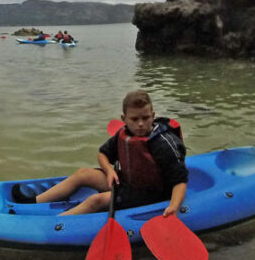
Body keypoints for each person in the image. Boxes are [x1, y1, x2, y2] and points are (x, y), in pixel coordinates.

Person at [11, 90, 188, 216]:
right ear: (124, 119)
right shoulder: (123, 134)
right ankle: (34, 202)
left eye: (145, 118)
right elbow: (102, 154)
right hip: (126, 182)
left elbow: (179, 180)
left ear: (153, 115)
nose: (140, 124)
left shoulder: (163, 143)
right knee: (83, 173)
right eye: (134, 119)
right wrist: (109, 170)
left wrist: (174, 206)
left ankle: (54, 223)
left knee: (95, 201)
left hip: (151, 193)